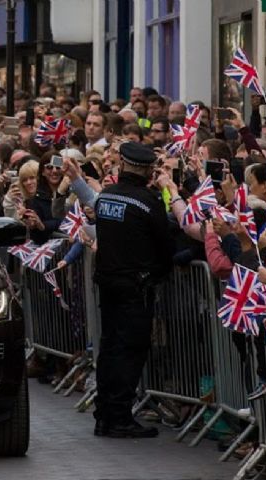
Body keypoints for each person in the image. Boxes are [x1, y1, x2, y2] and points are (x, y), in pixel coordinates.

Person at [91, 142, 175, 438]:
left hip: (108, 282)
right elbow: (165, 246)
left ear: (124, 165)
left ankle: (103, 414)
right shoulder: (148, 202)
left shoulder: (106, 197)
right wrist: (160, 272)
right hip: (135, 287)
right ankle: (120, 417)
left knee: (110, 348)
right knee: (129, 351)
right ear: (148, 170)